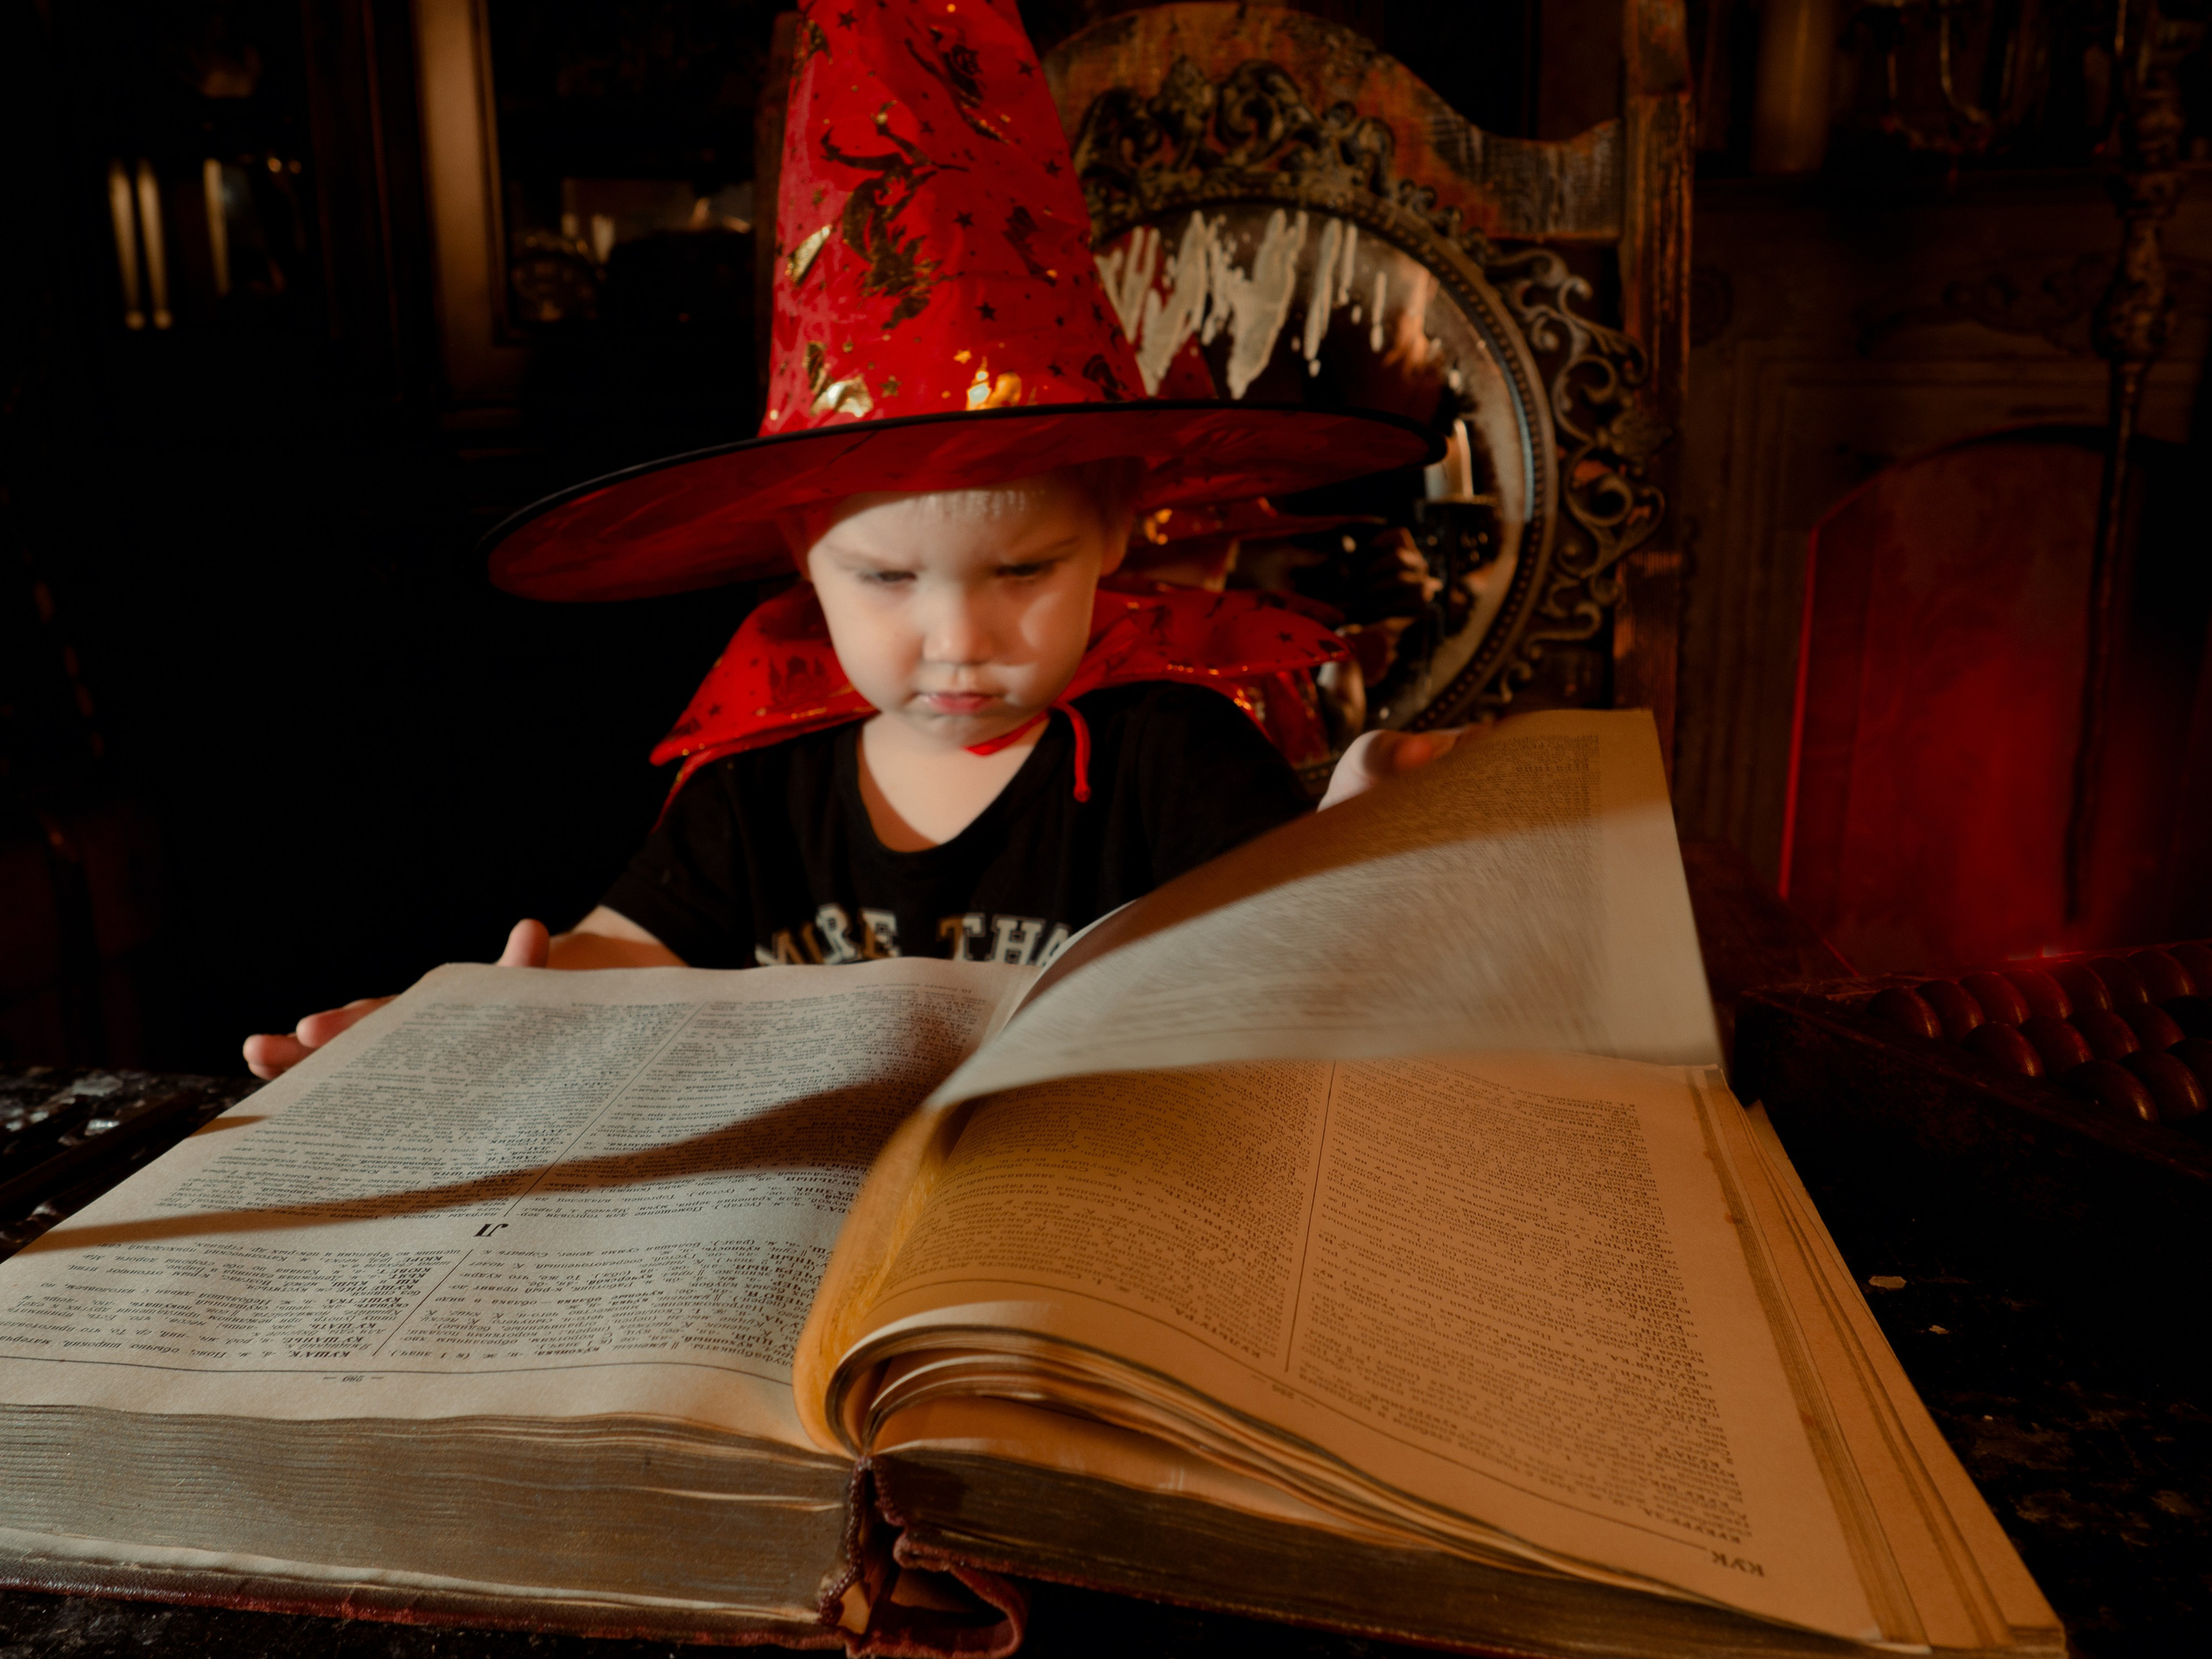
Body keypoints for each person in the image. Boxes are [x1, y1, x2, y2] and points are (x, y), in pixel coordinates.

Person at [245, 0, 1458, 1080]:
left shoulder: (1169, 751)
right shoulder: (767, 773)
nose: (958, 639)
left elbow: (1296, 958)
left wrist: (1358, 834)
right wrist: (483, 1016)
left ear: (1113, 533)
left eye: (1023, 571)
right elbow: (626, 953)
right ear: (800, 554)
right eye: (884, 578)